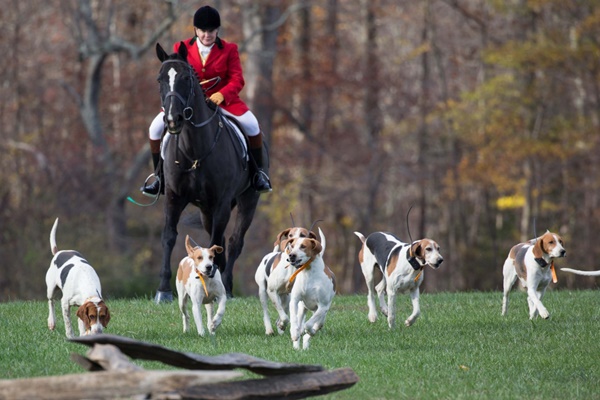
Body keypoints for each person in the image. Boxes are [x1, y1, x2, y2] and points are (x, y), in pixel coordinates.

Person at [141, 5, 272, 196]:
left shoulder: (230, 50)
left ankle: (258, 174)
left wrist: (221, 95)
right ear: (196, 30)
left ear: (217, 30)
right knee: (154, 129)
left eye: (211, 31)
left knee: (252, 125)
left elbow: (237, 79)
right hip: (189, 105)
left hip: (224, 101)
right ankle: (159, 177)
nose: (207, 35)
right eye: (203, 31)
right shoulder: (181, 47)